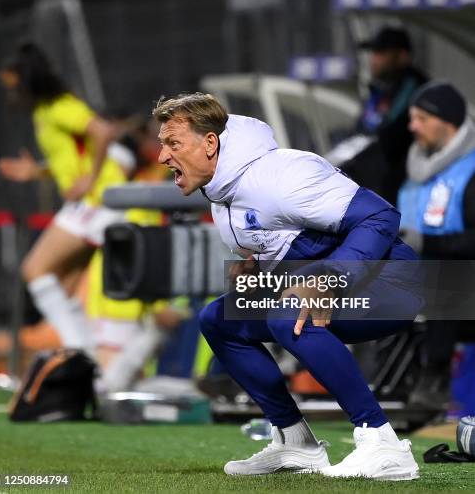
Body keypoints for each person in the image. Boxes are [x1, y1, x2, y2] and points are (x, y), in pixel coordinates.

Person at [153, 92, 421, 481]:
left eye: (173, 143)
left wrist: (327, 279)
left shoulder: (280, 175)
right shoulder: (220, 188)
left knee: (288, 315)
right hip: (344, 279)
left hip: (395, 283)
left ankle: (382, 442)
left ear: (210, 143)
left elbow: (381, 217)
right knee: (219, 318)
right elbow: (294, 240)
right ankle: (296, 443)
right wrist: (258, 268)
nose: (162, 157)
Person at [0, 41, 126, 352]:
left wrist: (90, 179)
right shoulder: (44, 112)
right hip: (91, 202)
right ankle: (83, 357)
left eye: (12, 84)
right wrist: (37, 172)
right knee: (65, 286)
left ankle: (75, 350)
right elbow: (69, 159)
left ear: (26, 79)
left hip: (97, 201)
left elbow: (103, 131)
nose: (10, 92)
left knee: (33, 270)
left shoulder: (60, 106)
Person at [398, 82, 475, 409]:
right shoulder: (414, 171)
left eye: (421, 118)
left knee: (450, 278)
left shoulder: (470, 170)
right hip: (417, 275)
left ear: (447, 122)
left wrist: (423, 241)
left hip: (460, 280)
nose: (412, 126)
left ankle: (436, 377)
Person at [341, 26, 427, 205]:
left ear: (402, 56)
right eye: (373, 53)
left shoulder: (418, 92)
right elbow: (360, 135)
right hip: (374, 194)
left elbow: (388, 139)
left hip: (404, 198)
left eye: (381, 53)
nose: (373, 59)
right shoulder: (379, 92)